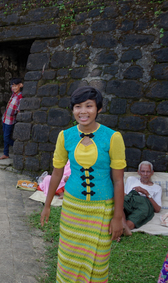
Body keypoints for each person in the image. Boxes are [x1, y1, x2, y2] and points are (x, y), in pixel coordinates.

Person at [40, 86, 126, 282]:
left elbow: (119, 180)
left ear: (99, 109)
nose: (83, 111)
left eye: (89, 106)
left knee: (98, 260)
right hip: (72, 208)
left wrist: (118, 217)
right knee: (68, 256)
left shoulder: (113, 138)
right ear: (73, 110)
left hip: (102, 210)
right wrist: (47, 205)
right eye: (78, 106)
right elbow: (56, 173)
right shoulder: (65, 136)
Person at [122, 161, 162, 236]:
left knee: (142, 211)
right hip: (130, 201)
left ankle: (121, 230)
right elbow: (125, 195)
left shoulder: (157, 188)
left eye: (148, 171)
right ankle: (121, 227)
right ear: (138, 172)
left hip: (143, 205)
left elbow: (157, 209)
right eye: (143, 171)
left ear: (152, 172)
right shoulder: (131, 179)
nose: (145, 174)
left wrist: (146, 193)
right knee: (119, 204)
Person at [0, 78, 23, 160]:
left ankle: (18, 148)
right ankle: (6, 153)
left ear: (20, 85)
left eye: (16, 86)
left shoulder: (20, 96)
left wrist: (21, 85)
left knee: (6, 137)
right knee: (4, 137)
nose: (14, 88)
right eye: (12, 86)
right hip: (5, 118)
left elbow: (19, 109)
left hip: (11, 121)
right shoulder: (14, 94)